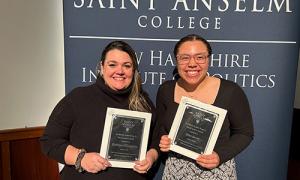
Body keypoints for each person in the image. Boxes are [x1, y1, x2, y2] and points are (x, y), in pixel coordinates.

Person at [40, 41, 158, 180]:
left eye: (126, 66)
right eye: (112, 64)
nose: (119, 71)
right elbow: (49, 141)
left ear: (133, 70)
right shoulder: (78, 98)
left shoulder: (144, 103)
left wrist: (151, 157)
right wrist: (81, 158)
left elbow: (155, 142)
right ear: (102, 67)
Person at [154, 34, 254, 179]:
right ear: (176, 60)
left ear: (208, 59)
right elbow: (162, 128)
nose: (192, 63)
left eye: (200, 57)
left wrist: (219, 156)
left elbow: (245, 133)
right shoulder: (166, 90)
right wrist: (163, 139)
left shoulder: (230, 91)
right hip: (175, 172)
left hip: (216, 172)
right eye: (185, 57)